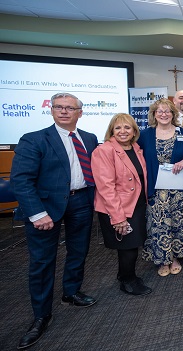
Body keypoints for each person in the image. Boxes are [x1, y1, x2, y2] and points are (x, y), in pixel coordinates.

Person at [11, 92, 98, 350]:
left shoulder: (90, 139)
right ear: (51, 110)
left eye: (69, 108)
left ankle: (71, 293)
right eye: (58, 107)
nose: (63, 111)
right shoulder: (34, 139)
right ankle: (41, 315)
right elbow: (21, 180)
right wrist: (37, 213)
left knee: (78, 252)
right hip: (45, 207)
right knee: (42, 262)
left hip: (81, 202)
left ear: (79, 113)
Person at [91, 113, 152, 297]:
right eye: (118, 128)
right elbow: (106, 187)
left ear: (134, 131)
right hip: (118, 207)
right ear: (112, 131)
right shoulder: (104, 151)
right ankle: (128, 281)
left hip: (137, 205)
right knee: (128, 247)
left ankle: (125, 274)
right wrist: (118, 217)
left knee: (132, 245)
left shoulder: (136, 148)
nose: (123, 131)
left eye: (127, 127)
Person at [138, 98, 183, 277]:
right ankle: (164, 258)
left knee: (178, 224)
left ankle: (175, 258)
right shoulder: (144, 135)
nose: (164, 114)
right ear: (154, 114)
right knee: (159, 224)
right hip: (157, 190)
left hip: (181, 190)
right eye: (160, 111)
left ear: (173, 114)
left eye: (167, 111)